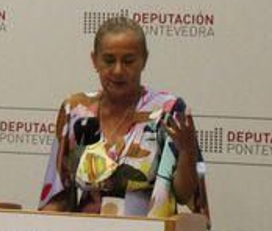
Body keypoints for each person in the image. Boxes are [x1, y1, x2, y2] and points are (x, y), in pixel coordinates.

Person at [39, 16, 208, 217]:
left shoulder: (167, 110)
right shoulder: (76, 110)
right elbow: (57, 196)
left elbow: (184, 194)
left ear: (144, 60)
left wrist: (187, 151)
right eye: (109, 60)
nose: (118, 70)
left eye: (128, 61)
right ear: (94, 60)